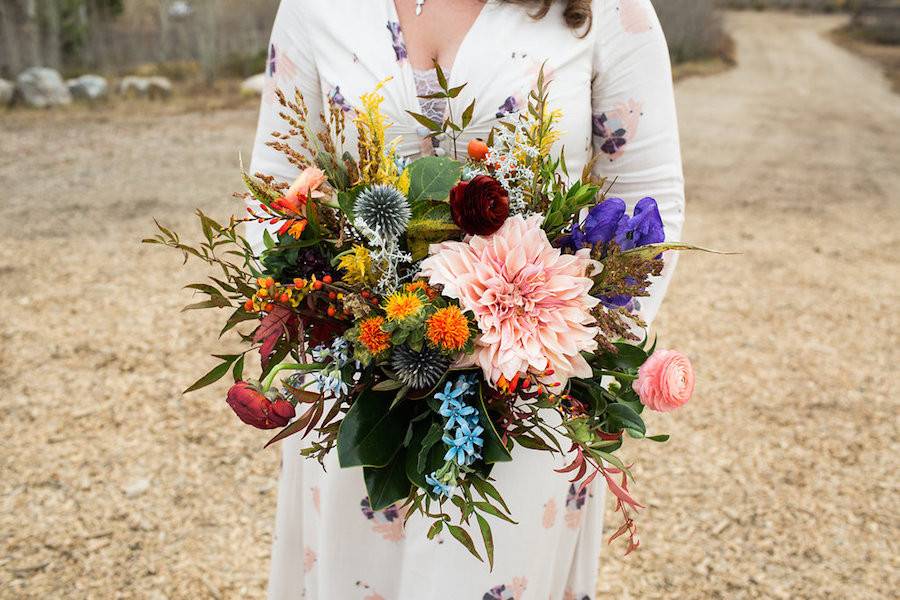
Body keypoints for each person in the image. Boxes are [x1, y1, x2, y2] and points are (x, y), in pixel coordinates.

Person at [247, 1, 684, 598]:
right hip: (355, 390)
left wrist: (577, 356)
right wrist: (323, 316)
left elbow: (648, 193)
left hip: (529, 398)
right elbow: (275, 185)